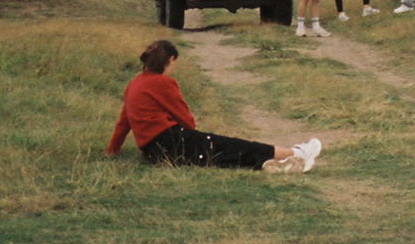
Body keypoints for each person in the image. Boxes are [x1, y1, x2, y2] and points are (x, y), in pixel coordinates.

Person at [107, 39, 320, 172]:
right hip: (172, 140)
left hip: (153, 152)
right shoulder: (163, 82)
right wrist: (194, 138)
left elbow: (123, 123)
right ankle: (297, 153)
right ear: (170, 60)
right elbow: (186, 119)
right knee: (229, 146)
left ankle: (275, 163)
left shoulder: (134, 83)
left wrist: (113, 150)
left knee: (222, 157)